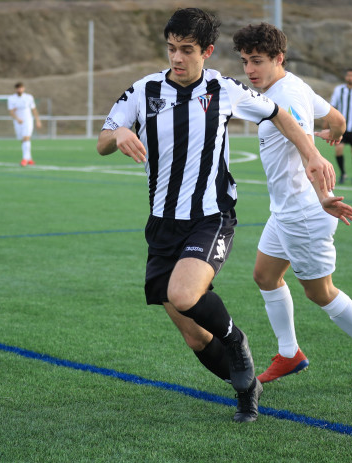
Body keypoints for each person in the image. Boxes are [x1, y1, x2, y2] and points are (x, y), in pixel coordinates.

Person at [97, 8, 336, 422]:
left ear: (206, 51)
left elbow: (278, 113)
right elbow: (102, 139)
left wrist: (312, 154)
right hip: (162, 222)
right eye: (171, 49)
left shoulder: (225, 89)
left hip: (211, 215)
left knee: (184, 295)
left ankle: (238, 342)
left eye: (187, 50)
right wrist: (118, 133)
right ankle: (248, 390)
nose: (176, 58)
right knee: (192, 334)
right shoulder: (144, 90)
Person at [232, 23, 352, 385]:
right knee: (265, 275)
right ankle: (289, 354)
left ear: (278, 58)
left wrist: (323, 195)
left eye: (257, 61)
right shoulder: (292, 85)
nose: (250, 70)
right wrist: (329, 133)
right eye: (245, 61)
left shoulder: (286, 97)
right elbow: (337, 119)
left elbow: (312, 158)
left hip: (305, 212)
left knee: (319, 292)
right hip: (286, 211)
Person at [7, 82, 42, 166]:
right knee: (22, 139)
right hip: (18, 122)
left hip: (28, 121)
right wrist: (17, 119)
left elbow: (34, 109)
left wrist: (38, 120)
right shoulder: (11, 98)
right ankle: (29, 158)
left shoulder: (29, 97)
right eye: (18, 88)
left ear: (24, 88)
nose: (20, 89)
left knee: (26, 138)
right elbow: (11, 112)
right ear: (15, 89)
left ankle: (24, 159)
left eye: (21, 88)